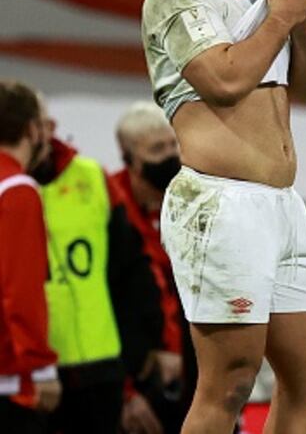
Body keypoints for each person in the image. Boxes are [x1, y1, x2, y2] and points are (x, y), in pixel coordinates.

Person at [140, 0, 306, 433]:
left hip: (282, 205)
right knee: (229, 381)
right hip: (219, 203)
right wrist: (281, 16)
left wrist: (303, 26)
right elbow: (223, 81)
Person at [30, 100, 159, 434]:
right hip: (32, 371)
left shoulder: (91, 176)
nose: (41, 133)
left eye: (44, 123)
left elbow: (131, 271)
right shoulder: (10, 186)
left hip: (101, 370)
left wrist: (138, 362)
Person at [111, 101, 189, 433]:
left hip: (185, 367)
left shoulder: (188, 199)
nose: (170, 155)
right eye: (157, 149)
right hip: (135, 373)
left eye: (173, 144)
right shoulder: (111, 210)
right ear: (130, 158)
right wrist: (126, 389)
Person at [0, 80, 59, 433]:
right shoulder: (16, 190)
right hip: (8, 375)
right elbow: (20, 290)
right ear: (32, 129)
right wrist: (40, 368)